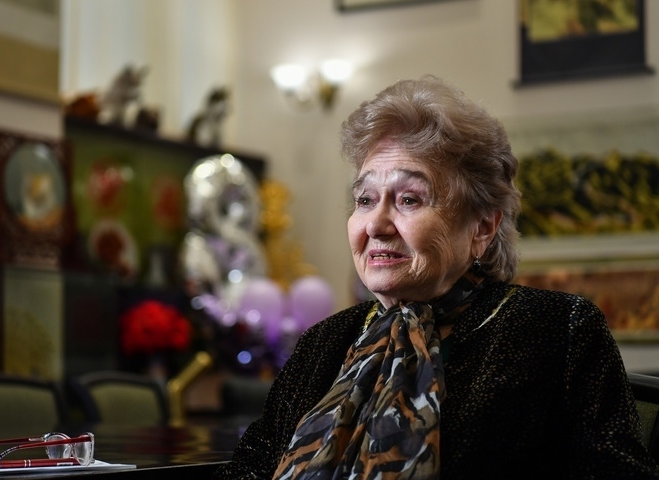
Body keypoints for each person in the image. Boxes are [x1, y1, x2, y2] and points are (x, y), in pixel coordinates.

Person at [213, 75, 659, 479]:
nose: (376, 224)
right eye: (365, 200)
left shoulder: (557, 330)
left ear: (482, 227)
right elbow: (250, 470)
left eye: (409, 199)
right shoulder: (323, 343)